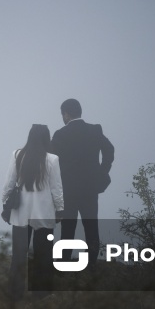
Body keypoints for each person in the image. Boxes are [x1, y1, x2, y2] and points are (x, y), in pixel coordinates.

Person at [2, 124, 64, 300]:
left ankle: (15, 293)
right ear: (47, 138)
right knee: (43, 254)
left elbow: (9, 183)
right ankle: (41, 293)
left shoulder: (18, 154)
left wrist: (5, 203)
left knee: (18, 255)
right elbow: (56, 188)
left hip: (21, 213)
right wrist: (60, 209)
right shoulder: (52, 159)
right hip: (44, 213)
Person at [51, 98, 114, 267]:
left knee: (68, 227)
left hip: (68, 189)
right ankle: (91, 264)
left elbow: (50, 161)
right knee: (91, 225)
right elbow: (110, 150)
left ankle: (64, 263)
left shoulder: (60, 134)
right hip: (90, 188)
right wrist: (102, 171)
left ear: (66, 113)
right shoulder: (94, 130)